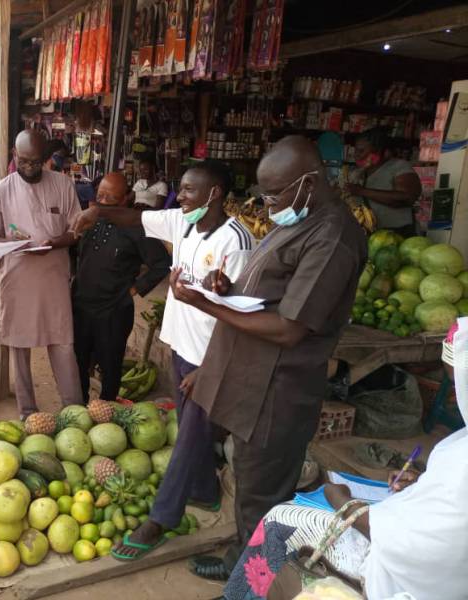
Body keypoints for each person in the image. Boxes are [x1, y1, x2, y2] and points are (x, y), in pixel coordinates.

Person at [162, 136, 366, 578]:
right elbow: (272, 293)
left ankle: (250, 585)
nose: (268, 204)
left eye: (275, 194)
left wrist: (206, 305)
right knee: (252, 484)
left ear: (309, 183)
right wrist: (227, 288)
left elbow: (290, 328)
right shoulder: (301, 217)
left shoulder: (333, 237)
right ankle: (240, 562)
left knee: (265, 496)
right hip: (254, 381)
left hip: (279, 390)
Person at [72, 161, 255, 558]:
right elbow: (136, 217)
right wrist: (98, 211)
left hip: (211, 358)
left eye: (189, 189)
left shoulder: (236, 240)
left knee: (188, 435)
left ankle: (161, 518)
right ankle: (205, 492)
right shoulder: (184, 222)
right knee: (195, 432)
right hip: (181, 347)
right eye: (182, 189)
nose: (181, 195)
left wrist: (210, 368)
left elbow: (241, 314)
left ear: (215, 193)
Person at [224, 320, 468, 600]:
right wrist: (421, 480)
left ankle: (242, 595)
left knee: (280, 520)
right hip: (431, 559)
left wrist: (342, 500)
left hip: (409, 579)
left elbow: (409, 543)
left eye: (458, 383)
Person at [0, 129, 83, 417]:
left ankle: (74, 410)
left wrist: (55, 242)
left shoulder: (63, 185)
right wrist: (6, 246)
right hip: (17, 279)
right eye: (24, 161)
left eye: (36, 162)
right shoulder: (1, 190)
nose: (30, 167)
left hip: (54, 279)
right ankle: (27, 412)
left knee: (63, 343)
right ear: (15, 156)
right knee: (19, 345)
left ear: (46, 158)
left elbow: (76, 230)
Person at [72, 172, 170, 402]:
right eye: (100, 196)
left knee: (110, 363)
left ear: (127, 198)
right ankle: (80, 407)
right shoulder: (89, 219)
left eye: (110, 199)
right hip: (81, 305)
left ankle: (107, 408)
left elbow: (162, 264)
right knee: (78, 361)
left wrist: (135, 289)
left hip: (114, 311)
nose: (102, 203)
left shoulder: (138, 227)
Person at [346, 128, 421, 236]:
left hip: (397, 234)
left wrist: (362, 191)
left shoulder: (399, 167)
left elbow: (406, 197)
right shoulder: (358, 173)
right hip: (366, 235)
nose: (356, 155)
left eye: (361, 151)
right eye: (356, 150)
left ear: (378, 150)